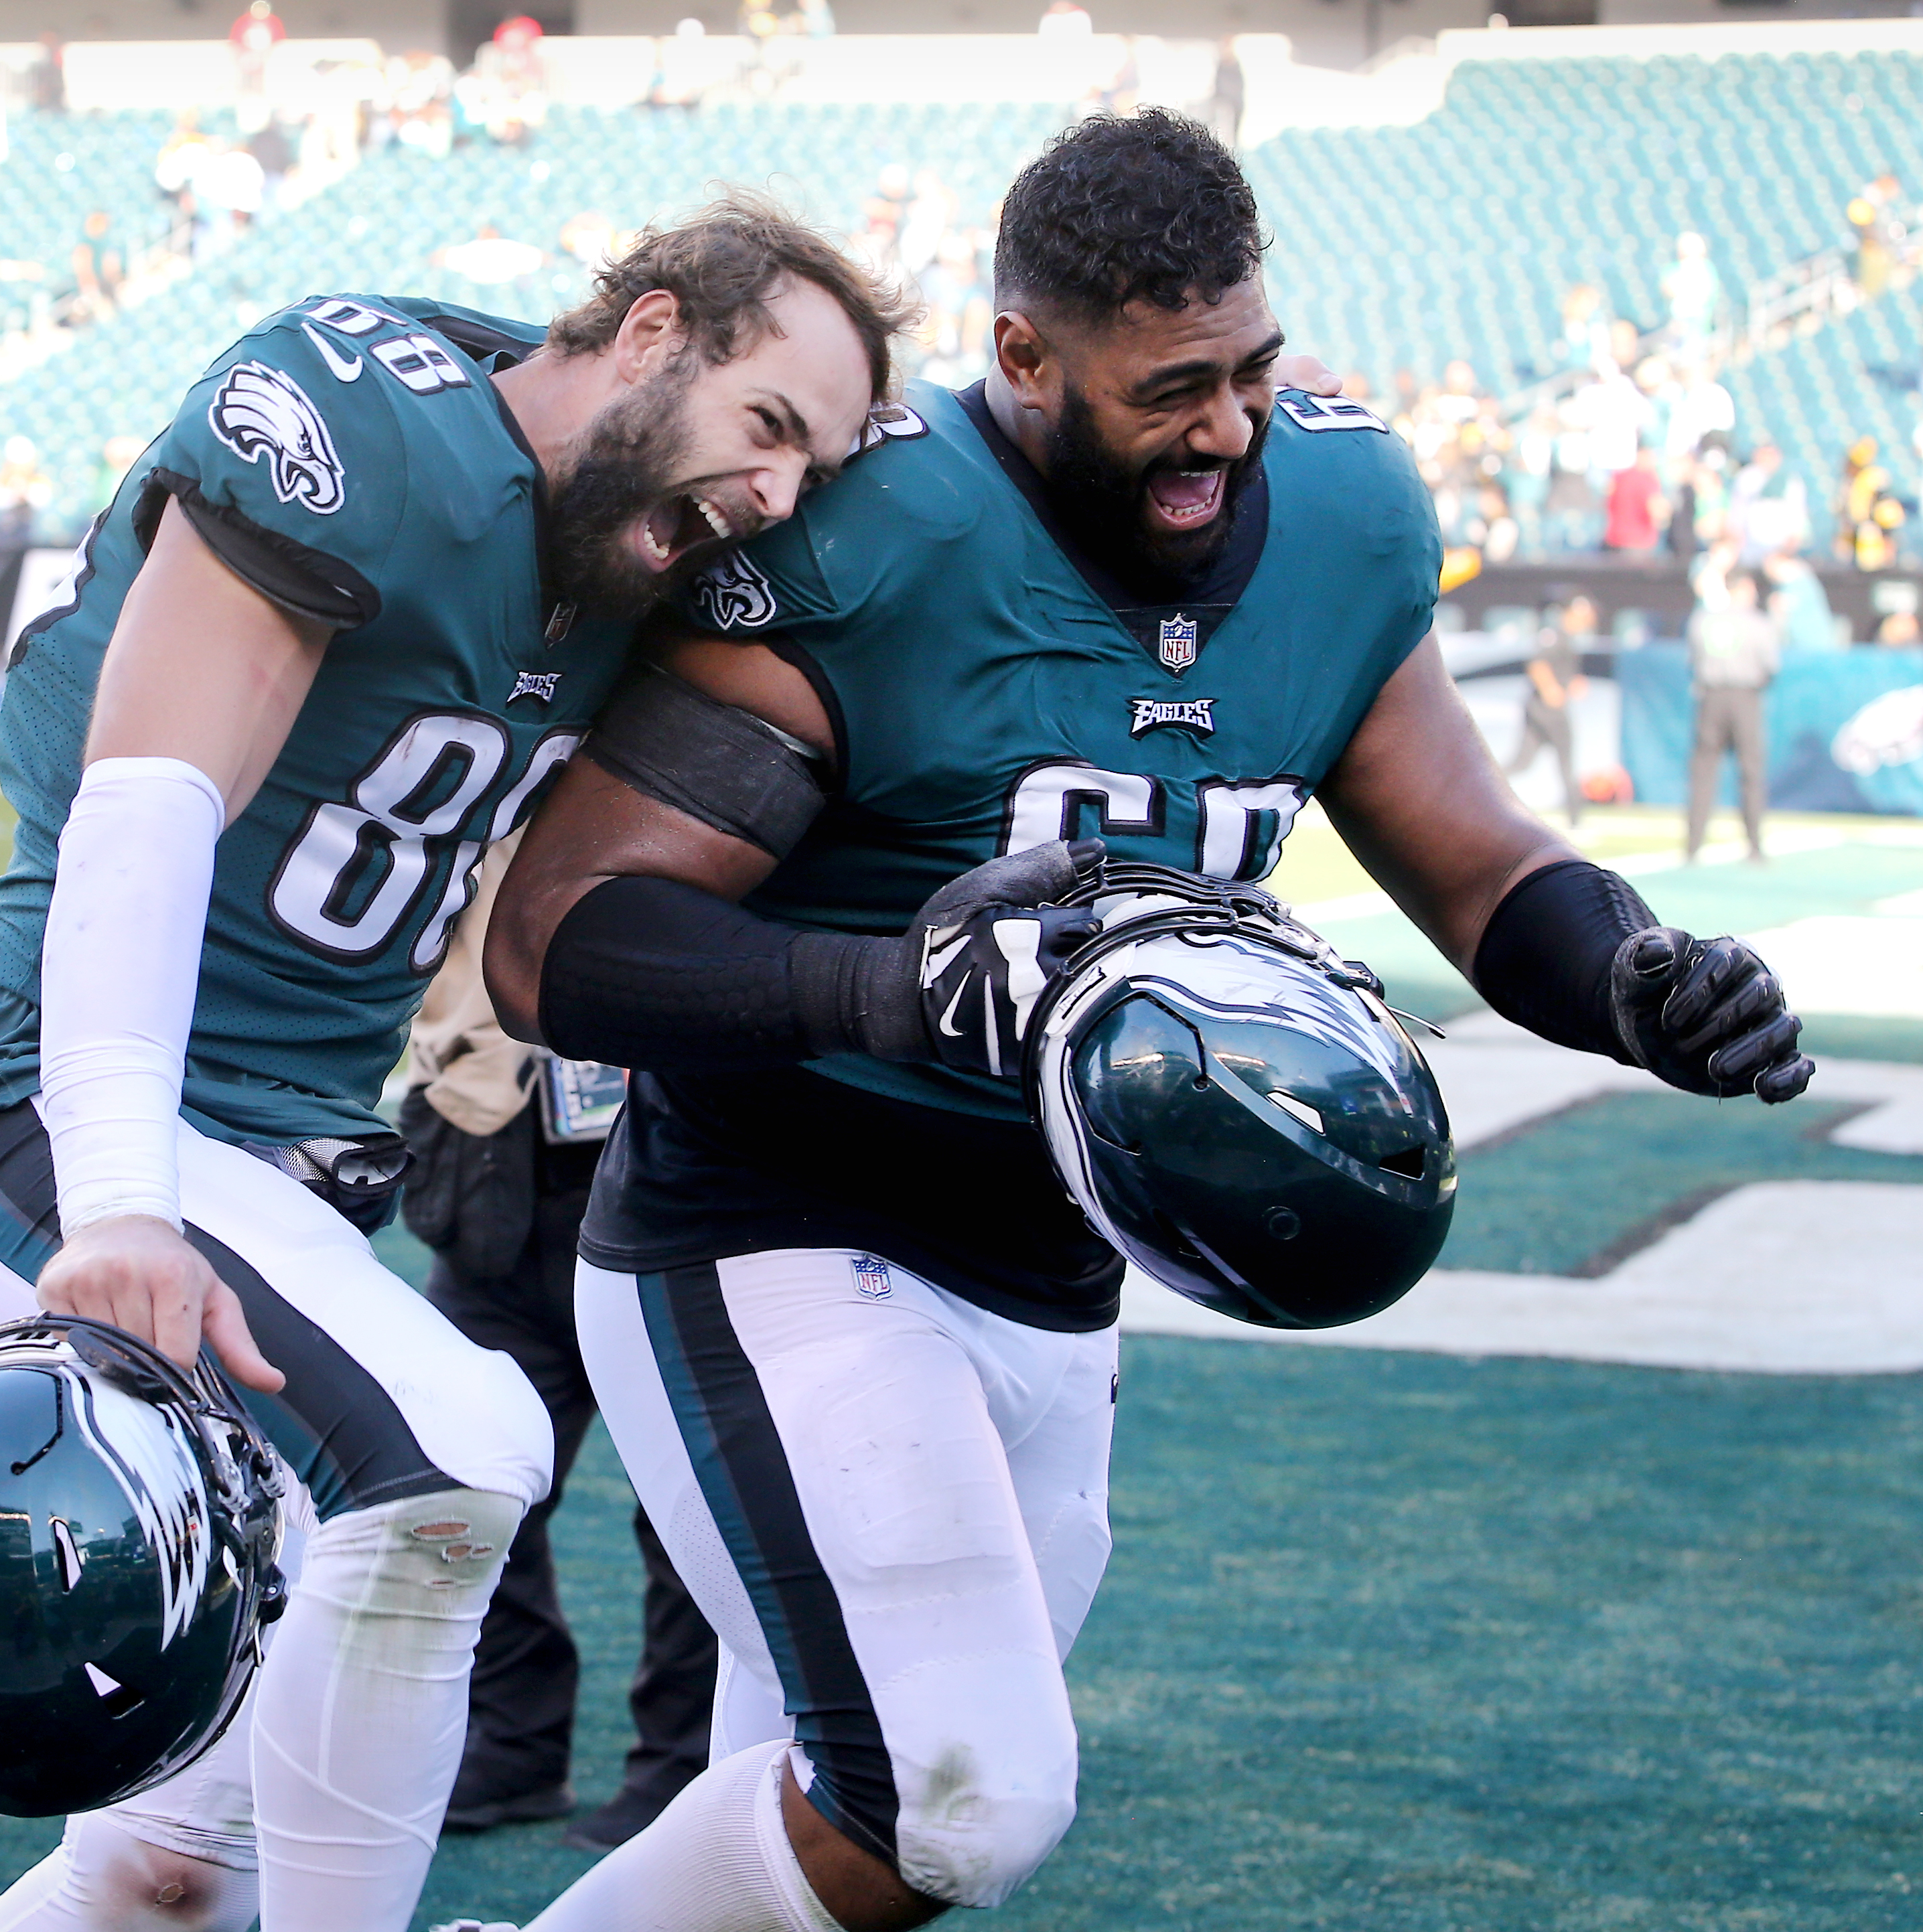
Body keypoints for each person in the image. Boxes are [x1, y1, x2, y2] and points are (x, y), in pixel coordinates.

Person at [478, 110, 1810, 1932]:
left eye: (1250, 367)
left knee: (820, 1817)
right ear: (1018, 356)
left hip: (1050, 1268)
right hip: (777, 1234)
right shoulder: (878, 534)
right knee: (948, 1797)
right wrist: (886, 984)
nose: (1226, 428)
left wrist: (1630, 975)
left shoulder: (1337, 515)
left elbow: (1479, 864)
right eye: (1168, 387)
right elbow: (559, 939)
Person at [0, 200, 904, 1932]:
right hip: (54, 1119)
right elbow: (149, 800)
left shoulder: (616, 557)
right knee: (458, 1447)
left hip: (272, 1183)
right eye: (768, 426)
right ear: (649, 332)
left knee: (171, 1859)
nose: (778, 495)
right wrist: (122, 1198)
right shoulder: (370, 419)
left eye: (814, 460)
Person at [401, 836, 715, 1848]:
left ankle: (681, 1762)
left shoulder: (703, 730)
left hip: (674, 1147)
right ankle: (514, 1741)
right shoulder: (491, 716)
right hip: (494, 1146)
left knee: (690, 1501)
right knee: (457, 1475)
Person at [1686, 567, 1780, 864]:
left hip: (1711, 696)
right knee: (1751, 771)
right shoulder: (1757, 622)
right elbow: (1771, 665)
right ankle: (1754, 845)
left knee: (1703, 771)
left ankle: (1692, 844)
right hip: (1744, 697)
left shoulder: (1703, 620)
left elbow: (1693, 658)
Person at [1508, 594, 1593, 826]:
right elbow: (1537, 664)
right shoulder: (1555, 636)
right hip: (1548, 711)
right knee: (1566, 763)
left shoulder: (1567, 639)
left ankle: (1483, 791)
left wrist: (1570, 683)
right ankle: (1576, 820)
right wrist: (1551, 690)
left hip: (1540, 708)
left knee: (1522, 763)